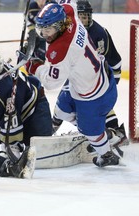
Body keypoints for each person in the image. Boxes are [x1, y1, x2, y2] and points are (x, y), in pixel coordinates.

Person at [34, 2, 121, 167]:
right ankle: (101, 131)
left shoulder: (62, 50)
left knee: (90, 131)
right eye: (42, 28)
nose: (44, 34)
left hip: (93, 95)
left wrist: (35, 67)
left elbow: (51, 83)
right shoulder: (69, 12)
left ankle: (106, 155)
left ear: (59, 25)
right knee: (60, 110)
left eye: (48, 29)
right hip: (96, 76)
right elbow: (66, 3)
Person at [52, 0, 128, 147]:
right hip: (78, 75)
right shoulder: (69, 30)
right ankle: (52, 128)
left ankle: (111, 130)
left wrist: (111, 84)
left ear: (90, 16)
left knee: (95, 103)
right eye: (80, 16)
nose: (83, 20)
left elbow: (115, 61)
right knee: (67, 102)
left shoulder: (99, 34)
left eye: (85, 16)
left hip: (98, 75)